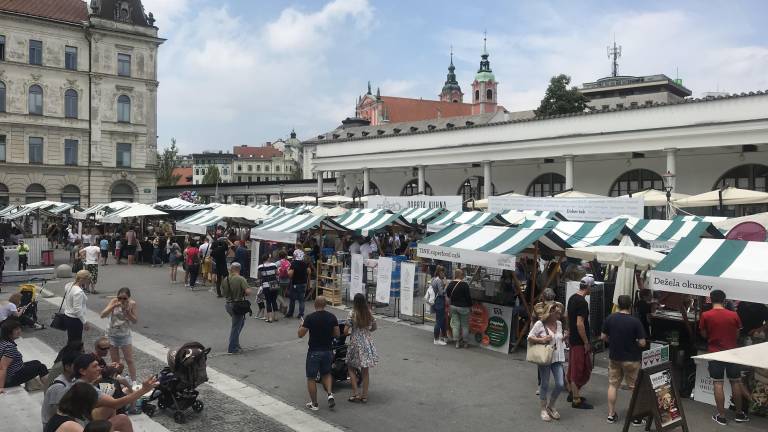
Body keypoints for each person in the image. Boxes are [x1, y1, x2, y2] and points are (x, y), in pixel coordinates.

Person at [700, 289, 749, 425]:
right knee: (736, 382)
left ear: (711, 300)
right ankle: (739, 414)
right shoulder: (734, 315)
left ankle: (721, 416)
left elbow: (703, 334)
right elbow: (737, 335)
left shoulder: (705, 315)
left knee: (718, 383)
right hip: (732, 353)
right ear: (724, 300)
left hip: (715, 352)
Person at [73, 353, 157, 432]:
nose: (99, 368)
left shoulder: (76, 383)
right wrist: (143, 390)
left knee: (109, 406)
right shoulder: (86, 389)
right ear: (82, 371)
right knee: (122, 419)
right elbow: (116, 404)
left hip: (82, 422)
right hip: (85, 428)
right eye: (95, 366)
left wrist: (108, 371)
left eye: (98, 365)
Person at [601, 295, 647, 424]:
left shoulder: (610, 318)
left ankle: (611, 414)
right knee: (634, 388)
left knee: (613, 385)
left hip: (614, 357)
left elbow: (603, 336)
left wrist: (612, 341)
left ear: (618, 305)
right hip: (631, 359)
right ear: (630, 306)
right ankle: (636, 417)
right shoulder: (635, 321)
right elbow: (642, 343)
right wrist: (635, 343)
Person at [299, 296, 339, 411]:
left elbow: (300, 334)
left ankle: (314, 404)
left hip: (314, 351)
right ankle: (330, 394)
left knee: (311, 377)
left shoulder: (310, 318)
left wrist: (301, 325)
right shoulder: (332, 317)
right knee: (326, 374)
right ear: (325, 305)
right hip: (328, 350)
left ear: (315, 304)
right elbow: (337, 334)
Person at [528, 303, 566, 422]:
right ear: (550, 313)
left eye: (560, 312)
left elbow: (558, 339)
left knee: (560, 384)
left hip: (557, 357)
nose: (559, 315)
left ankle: (551, 406)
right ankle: (543, 409)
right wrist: (543, 339)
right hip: (545, 357)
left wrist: (564, 338)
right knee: (544, 383)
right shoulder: (540, 324)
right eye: (557, 313)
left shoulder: (559, 324)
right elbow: (529, 337)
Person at [567, 275, 594, 409]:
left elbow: (567, 316)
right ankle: (576, 400)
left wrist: (568, 331)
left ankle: (572, 393)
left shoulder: (572, 298)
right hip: (579, 341)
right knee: (579, 369)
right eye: (592, 287)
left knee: (573, 367)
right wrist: (586, 342)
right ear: (588, 287)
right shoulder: (583, 302)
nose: (592, 290)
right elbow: (579, 323)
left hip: (573, 338)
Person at [0, 319, 49, 393]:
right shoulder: (9, 347)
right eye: (16, 329)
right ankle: (51, 391)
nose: (19, 331)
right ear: (9, 333)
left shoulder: (3, 341)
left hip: (14, 370)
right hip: (10, 378)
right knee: (41, 367)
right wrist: (1, 387)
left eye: (19, 328)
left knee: (36, 362)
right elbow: (2, 367)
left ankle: (32, 386)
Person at [346, 293, 378, 403]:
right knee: (365, 370)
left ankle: (355, 393)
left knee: (351, 367)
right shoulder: (368, 313)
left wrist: (350, 332)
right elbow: (374, 327)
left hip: (355, 342)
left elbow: (345, 330)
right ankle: (364, 395)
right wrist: (367, 331)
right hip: (367, 342)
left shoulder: (352, 313)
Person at [100, 288, 138, 382]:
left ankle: (134, 382)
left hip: (125, 334)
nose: (121, 300)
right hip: (112, 334)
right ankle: (117, 381)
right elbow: (102, 315)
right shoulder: (114, 301)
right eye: (119, 298)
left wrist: (128, 313)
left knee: (129, 359)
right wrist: (113, 306)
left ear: (129, 298)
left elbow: (135, 321)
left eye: (124, 298)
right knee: (115, 361)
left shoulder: (132, 304)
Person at [41, 348, 80, 429]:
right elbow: (59, 414)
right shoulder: (59, 387)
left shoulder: (71, 380)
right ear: (67, 367)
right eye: (77, 366)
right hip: (53, 426)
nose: (81, 368)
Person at [222, 262, 252, 354]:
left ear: (231, 269)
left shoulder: (226, 279)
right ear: (239, 269)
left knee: (240, 323)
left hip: (228, 304)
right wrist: (244, 291)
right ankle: (232, 348)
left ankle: (236, 343)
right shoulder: (241, 279)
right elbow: (248, 291)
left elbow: (223, 293)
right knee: (236, 327)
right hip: (237, 305)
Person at [63, 270, 92, 345]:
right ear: (83, 279)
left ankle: (69, 352)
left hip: (68, 316)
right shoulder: (78, 292)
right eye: (88, 279)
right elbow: (77, 310)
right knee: (76, 342)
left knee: (71, 340)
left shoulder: (69, 285)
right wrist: (85, 322)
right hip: (75, 320)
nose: (89, 281)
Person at [446, 268, 472, 349]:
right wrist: (470, 306)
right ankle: (465, 343)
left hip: (453, 307)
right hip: (464, 308)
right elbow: (468, 297)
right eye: (462, 274)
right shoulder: (465, 285)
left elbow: (448, 295)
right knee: (465, 325)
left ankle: (457, 343)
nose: (463, 276)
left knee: (455, 325)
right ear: (460, 275)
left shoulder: (450, 284)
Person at [425, 266, 448, 345]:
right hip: (439, 302)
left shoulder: (434, 279)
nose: (444, 274)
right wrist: (446, 285)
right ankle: (436, 339)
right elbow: (441, 293)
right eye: (443, 272)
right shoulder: (439, 281)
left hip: (436, 302)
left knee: (442, 319)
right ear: (440, 272)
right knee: (439, 321)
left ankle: (444, 336)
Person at [287, 250, 311, 319]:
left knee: (292, 299)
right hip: (303, 283)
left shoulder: (294, 263)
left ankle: (290, 313)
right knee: (301, 300)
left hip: (295, 283)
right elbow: (309, 271)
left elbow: (290, 274)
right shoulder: (304, 263)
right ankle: (301, 314)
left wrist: (288, 271)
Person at [257, 254, 280, 323]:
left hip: (266, 284)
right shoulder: (273, 265)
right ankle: (276, 316)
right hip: (274, 283)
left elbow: (259, 276)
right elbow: (277, 273)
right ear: (268, 258)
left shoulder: (260, 266)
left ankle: (270, 318)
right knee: (274, 300)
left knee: (268, 301)